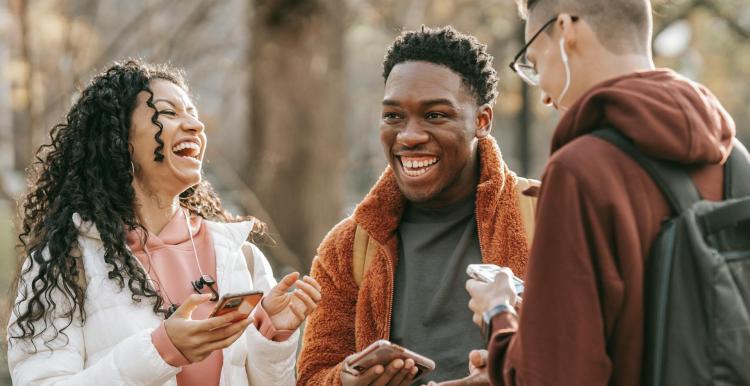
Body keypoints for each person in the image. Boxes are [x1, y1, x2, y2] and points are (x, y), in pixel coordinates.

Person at [462, 1, 739, 385]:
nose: (542, 94)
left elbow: (555, 376)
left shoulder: (580, 171)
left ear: (565, 30)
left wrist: (498, 315)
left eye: (534, 62)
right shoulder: (732, 157)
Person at [7, 59, 321, 386]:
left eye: (193, 115)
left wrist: (272, 334)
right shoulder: (64, 264)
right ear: (118, 139)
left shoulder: (240, 256)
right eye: (169, 113)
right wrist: (161, 351)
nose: (195, 126)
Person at [298, 26, 537, 385]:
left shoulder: (547, 216)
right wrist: (345, 381)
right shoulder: (347, 248)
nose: (409, 136)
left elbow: (600, 356)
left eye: (435, 115)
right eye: (394, 116)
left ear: (482, 121)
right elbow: (313, 375)